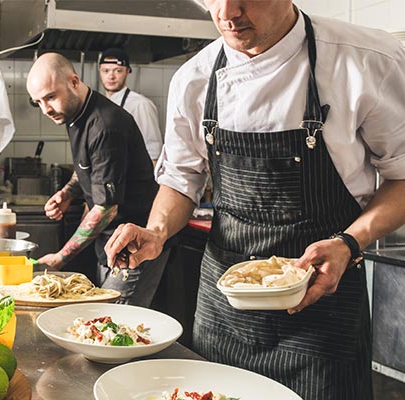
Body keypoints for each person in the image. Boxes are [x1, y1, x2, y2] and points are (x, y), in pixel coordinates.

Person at [104, 1, 405, 399]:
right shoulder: (194, 78)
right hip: (224, 310)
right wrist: (156, 231)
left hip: (321, 308)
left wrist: (350, 242)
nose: (227, 12)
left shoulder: (365, 60)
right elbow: (182, 178)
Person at [26, 52, 170, 307]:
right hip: (107, 243)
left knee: (114, 324)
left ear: (73, 81)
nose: (46, 109)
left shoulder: (105, 125)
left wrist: (61, 256)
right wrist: (69, 192)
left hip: (133, 246)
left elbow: (106, 208)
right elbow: (85, 167)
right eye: (38, 102)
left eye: (50, 97)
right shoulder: (73, 116)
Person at [99, 48, 164, 162]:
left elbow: (154, 153)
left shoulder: (141, 104)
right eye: (106, 71)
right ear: (100, 71)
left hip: (131, 177)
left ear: (128, 71)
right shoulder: (99, 105)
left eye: (118, 71)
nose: (111, 76)